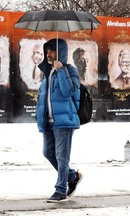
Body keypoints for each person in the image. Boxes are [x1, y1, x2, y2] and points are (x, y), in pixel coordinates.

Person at [36, 38, 83, 203]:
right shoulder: (47, 73)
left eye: (52, 51)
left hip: (64, 120)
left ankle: (61, 190)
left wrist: (61, 70)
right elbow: (43, 98)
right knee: (47, 152)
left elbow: (68, 91)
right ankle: (72, 176)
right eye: (47, 51)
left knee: (62, 157)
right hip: (48, 121)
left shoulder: (70, 71)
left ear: (60, 52)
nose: (48, 54)